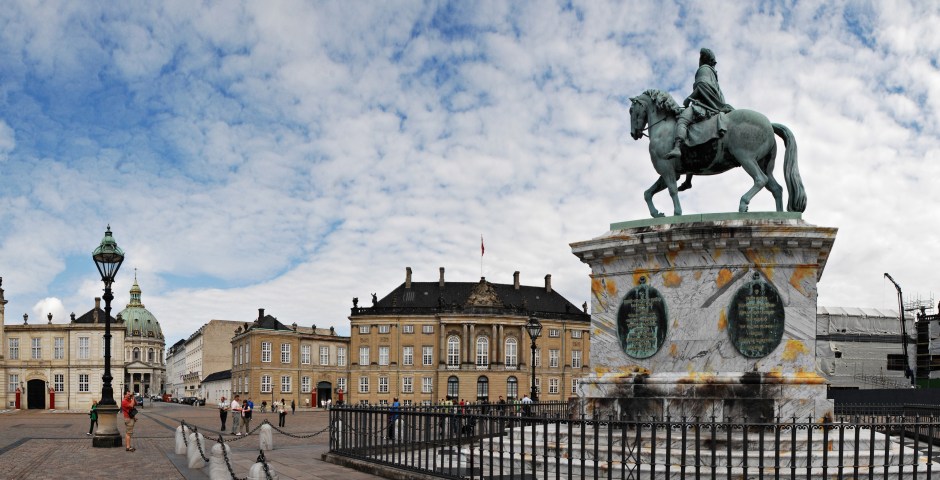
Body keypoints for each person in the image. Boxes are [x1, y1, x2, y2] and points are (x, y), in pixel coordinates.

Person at [666, 48, 735, 180]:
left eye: (700, 57)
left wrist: (688, 99)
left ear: (702, 58)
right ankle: (688, 179)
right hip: (714, 105)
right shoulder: (713, 73)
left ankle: (676, 147)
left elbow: (702, 86)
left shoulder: (703, 69)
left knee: (683, 120)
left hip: (705, 107)